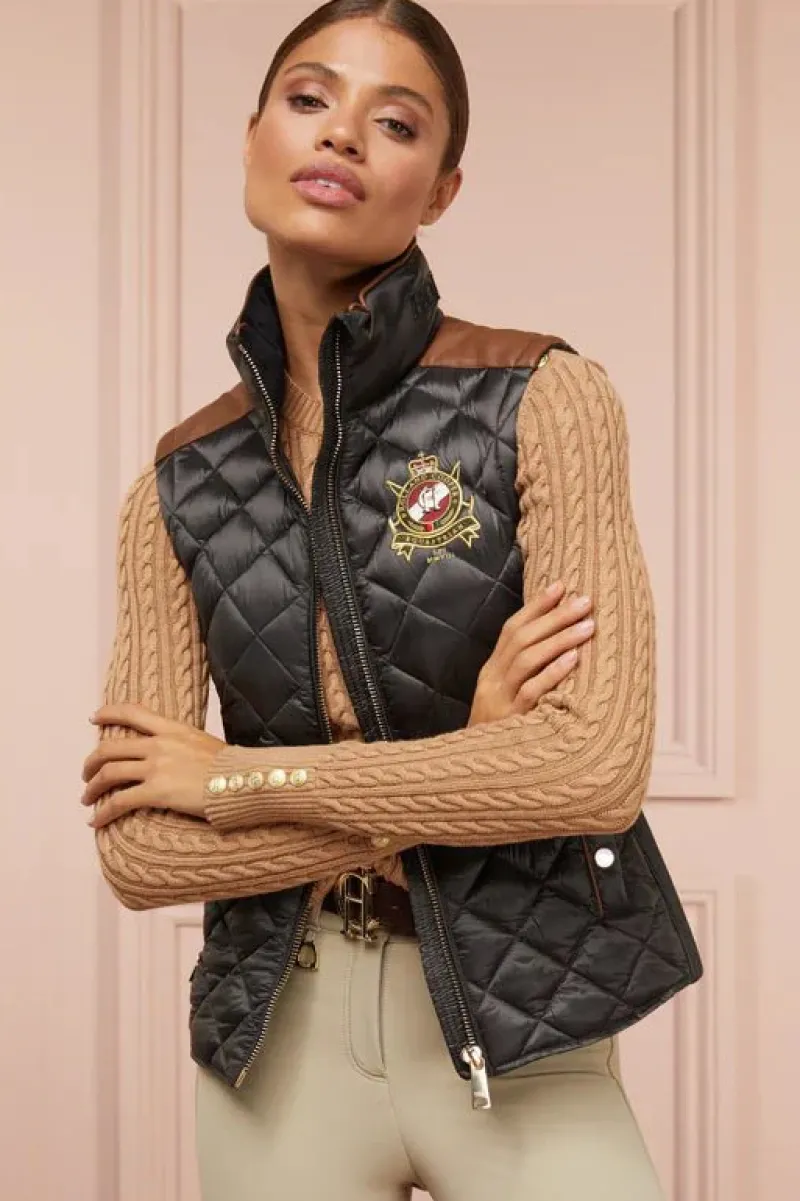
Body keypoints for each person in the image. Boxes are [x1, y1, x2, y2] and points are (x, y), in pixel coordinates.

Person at [81, 2, 702, 1198]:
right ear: (253, 135)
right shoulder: (174, 486)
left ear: (441, 189)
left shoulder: (542, 397)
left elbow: (589, 770)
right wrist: (472, 759)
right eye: (308, 98)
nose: (343, 135)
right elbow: (143, 851)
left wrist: (237, 781)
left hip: (520, 1021)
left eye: (397, 122)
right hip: (280, 1042)